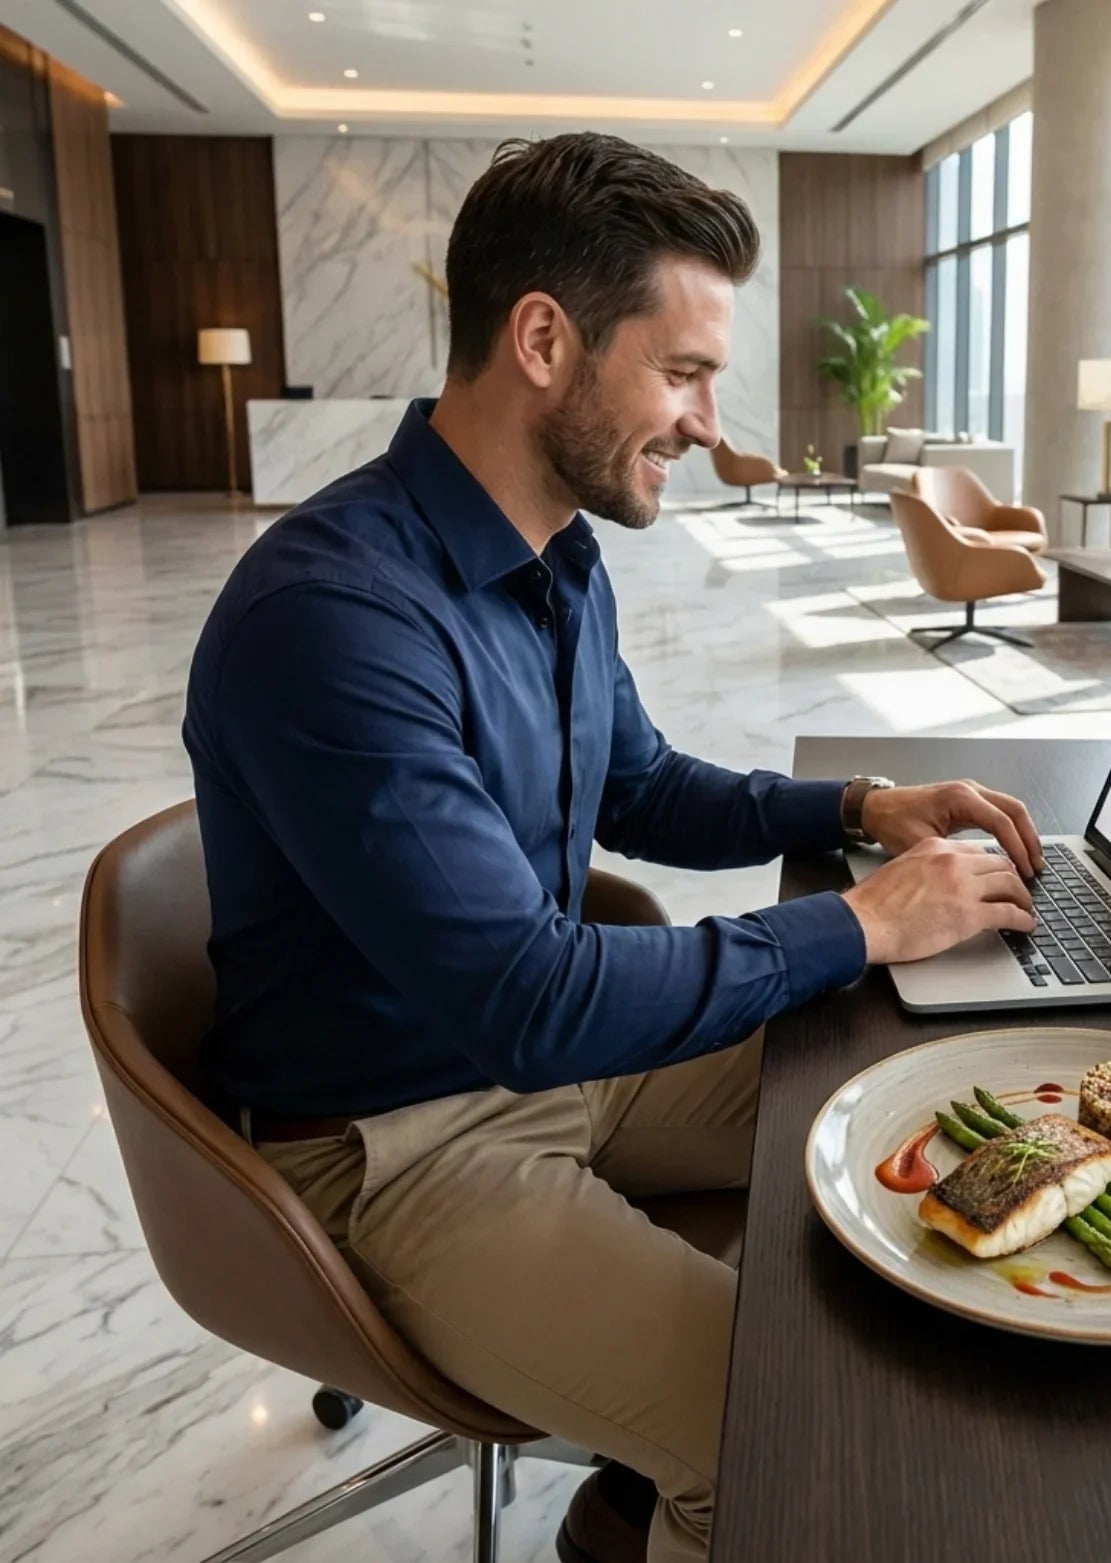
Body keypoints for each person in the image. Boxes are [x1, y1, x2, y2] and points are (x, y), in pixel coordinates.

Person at [183, 132, 1042, 1563]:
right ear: (542, 340)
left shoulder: (558, 553)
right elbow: (527, 999)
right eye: (686, 371)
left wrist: (856, 813)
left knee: (914, 1076)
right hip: (401, 1138)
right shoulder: (330, 619)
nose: (710, 422)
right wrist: (864, 919)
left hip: (555, 1066)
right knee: (789, 1434)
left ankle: (622, 1502)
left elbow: (638, 782)